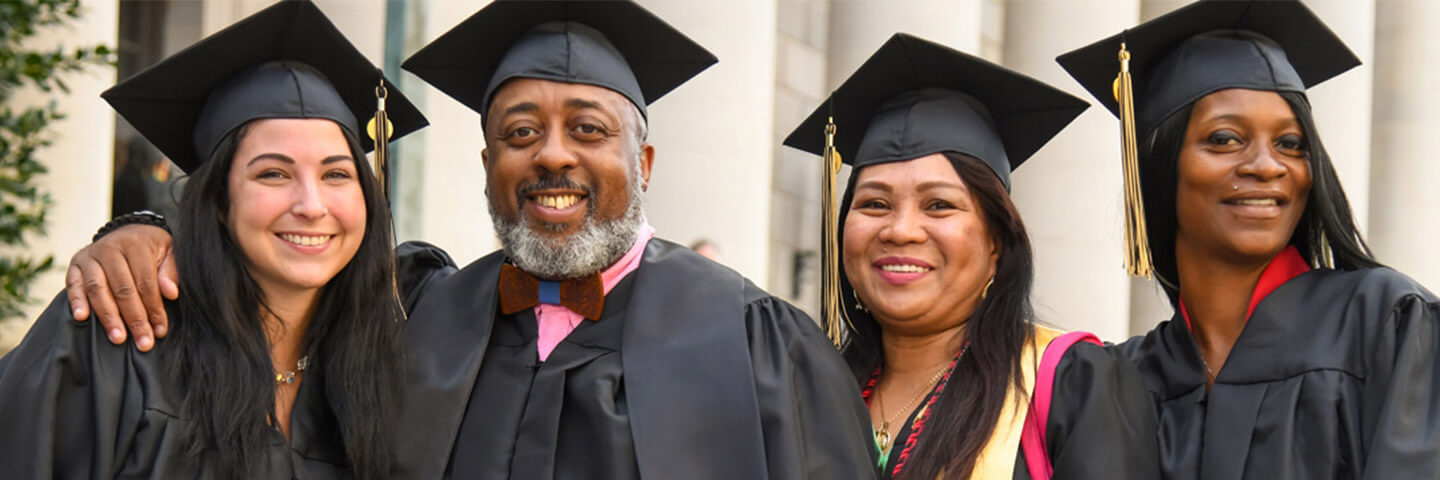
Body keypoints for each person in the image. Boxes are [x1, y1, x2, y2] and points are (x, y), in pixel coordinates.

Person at [62, 1, 877, 479]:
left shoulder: (764, 349)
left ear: (646, 162)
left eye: (587, 129)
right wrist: (144, 230)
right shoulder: (418, 310)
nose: (552, 153)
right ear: (489, 164)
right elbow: (276, 276)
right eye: (521, 132)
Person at [0, 2, 427, 478]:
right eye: (272, 173)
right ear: (219, 202)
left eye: (336, 174)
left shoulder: (397, 341)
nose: (312, 204)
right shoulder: (111, 342)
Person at [1058, 0, 1440, 478]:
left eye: (1291, 144)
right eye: (1224, 139)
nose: (1267, 165)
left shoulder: (1386, 324)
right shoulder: (1122, 381)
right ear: (1160, 168)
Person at [785, 33, 1160, 480]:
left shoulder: (1070, 385)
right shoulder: (804, 391)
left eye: (938, 205)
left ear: (997, 241)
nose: (900, 230)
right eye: (874, 204)